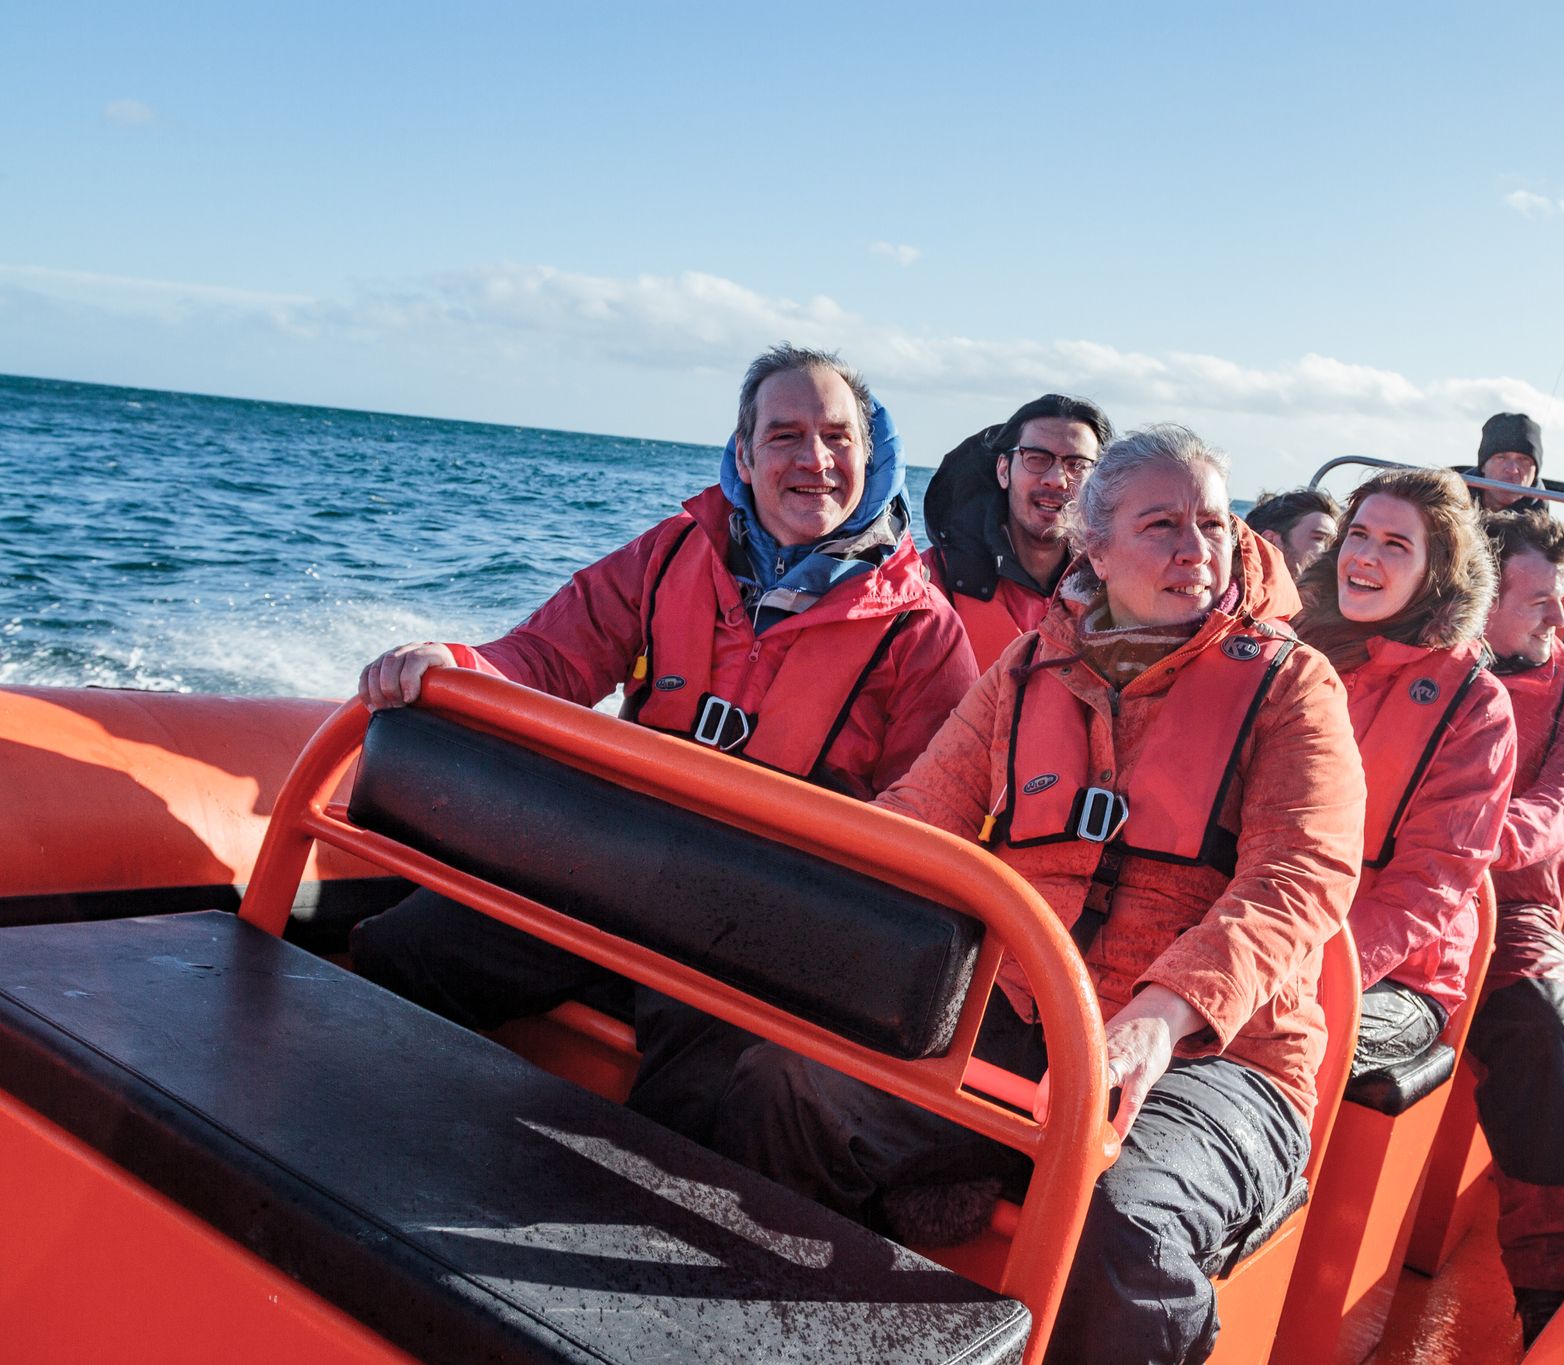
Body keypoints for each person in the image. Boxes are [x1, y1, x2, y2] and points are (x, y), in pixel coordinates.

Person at [708, 425, 1367, 1364]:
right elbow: (913, 830)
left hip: (1225, 1058)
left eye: (1213, 524)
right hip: (1028, 1016)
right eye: (1162, 524)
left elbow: (1300, 879)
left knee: (1123, 1220)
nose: (1196, 548)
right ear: (1093, 545)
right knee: (784, 1085)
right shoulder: (1023, 672)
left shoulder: (1295, 686)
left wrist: (1158, 1015)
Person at [348, 344, 980, 1140]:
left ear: (870, 451)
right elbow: (546, 658)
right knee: (410, 947)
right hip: (611, 871)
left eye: (837, 436)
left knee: (697, 1099)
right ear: (743, 457)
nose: (814, 459)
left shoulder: (921, 632)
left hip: (768, 930)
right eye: (784, 435)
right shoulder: (673, 552)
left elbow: (934, 829)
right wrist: (457, 662)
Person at [1293, 467, 1516, 1078]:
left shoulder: (1475, 704)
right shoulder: (1287, 650)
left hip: (1394, 974)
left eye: (1396, 545)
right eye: (1358, 535)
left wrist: (1311, 970)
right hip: (1266, 933)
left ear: (1436, 572)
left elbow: (1430, 885)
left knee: (1278, 1040)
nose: (1364, 557)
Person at [1469, 509, 1564, 1346]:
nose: (1559, 621)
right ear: (1480, 593)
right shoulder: (1423, 658)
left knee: (1543, 1031)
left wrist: (1474, 841)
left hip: (1509, 902)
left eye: (1560, 602)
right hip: (1381, 886)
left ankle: (1548, 1296)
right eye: (1538, 601)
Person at [922, 394, 1114, 670]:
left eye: (1077, 465)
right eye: (1036, 459)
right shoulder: (930, 583)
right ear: (1003, 470)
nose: (1056, 480)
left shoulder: (1118, 586)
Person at [1245, 486, 1341, 581]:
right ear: (1270, 541)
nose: (1332, 550)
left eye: (1335, 543)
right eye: (1319, 538)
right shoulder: (1241, 594)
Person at [1461, 412, 1547, 512]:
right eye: (1501, 458)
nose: (1512, 470)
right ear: (1483, 466)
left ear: (1535, 473)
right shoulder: (1447, 502)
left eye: (1524, 460)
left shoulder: (1544, 525)